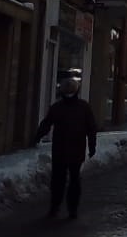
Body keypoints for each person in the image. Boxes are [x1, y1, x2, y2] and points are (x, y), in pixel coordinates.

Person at [34, 75, 98, 220]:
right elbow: (91, 128)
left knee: (59, 180)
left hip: (61, 149)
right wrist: (92, 145)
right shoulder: (83, 107)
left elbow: (46, 123)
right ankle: (71, 209)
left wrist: (38, 136)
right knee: (73, 180)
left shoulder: (58, 107)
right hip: (74, 149)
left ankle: (56, 207)